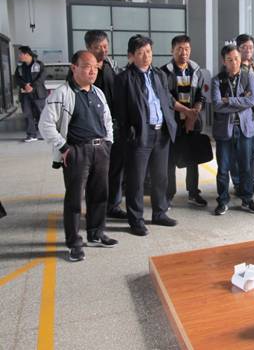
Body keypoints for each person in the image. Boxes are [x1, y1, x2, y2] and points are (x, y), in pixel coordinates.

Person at [38, 50, 118, 262]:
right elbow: (45, 124)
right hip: (77, 152)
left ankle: (96, 233)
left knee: (99, 194)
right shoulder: (62, 94)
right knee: (74, 199)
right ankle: (74, 243)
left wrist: (108, 143)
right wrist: (64, 147)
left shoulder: (98, 93)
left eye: (94, 67)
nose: (92, 71)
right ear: (74, 68)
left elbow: (107, 121)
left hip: (100, 150)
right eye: (86, 66)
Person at [114, 35, 191, 236]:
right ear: (131, 56)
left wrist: (180, 116)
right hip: (139, 135)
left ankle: (159, 213)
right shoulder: (123, 79)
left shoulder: (159, 75)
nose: (146, 56)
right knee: (136, 180)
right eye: (140, 53)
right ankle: (136, 220)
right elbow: (119, 112)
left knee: (161, 177)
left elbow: (166, 100)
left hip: (161, 133)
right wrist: (130, 133)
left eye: (148, 51)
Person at [160, 35, 209, 208]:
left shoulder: (196, 71)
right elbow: (167, 99)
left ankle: (193, 193)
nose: (183, 52)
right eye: (179, 49)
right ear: (172, 50)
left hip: (192, 122)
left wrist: (192, 115)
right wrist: (187, 112)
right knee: (170, 161)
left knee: (192, 159)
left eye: (187, 49)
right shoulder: (164, 72)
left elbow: (201, 96)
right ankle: (168, 195)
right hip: (172, 124)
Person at [211, 44, 254, 215]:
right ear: (224, 61)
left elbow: (252, 101)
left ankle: (247, 200)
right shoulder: (217, 80)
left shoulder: (248, 76)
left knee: (246, 167)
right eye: (230, 60)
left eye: (237, 59)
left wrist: (228, 100)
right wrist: (240, 101)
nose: (234, 63)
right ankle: (223, 201)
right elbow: (217, 105)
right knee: (223, 169)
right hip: (224, 131)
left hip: (245, 130)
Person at [84, 30, 126, 220]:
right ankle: (94, 209)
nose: (103, 50)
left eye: (105, 46)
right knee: (95, 173)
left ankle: (113, 205)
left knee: (116, 168)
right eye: (98, 47)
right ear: (88, 48)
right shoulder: (84, 69)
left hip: (113, 127)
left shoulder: (111, 66)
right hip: (92, 129)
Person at [233, 33, 254, 195]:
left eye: (251, 47)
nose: (248, 50)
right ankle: (238, 184)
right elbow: (236, 96)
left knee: (251, 153)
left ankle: (250, 181)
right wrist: (247, 98)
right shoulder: (234, 68)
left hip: (253, 117)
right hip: (239, 117)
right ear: (238, 49)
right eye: (244, 47)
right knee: (238, 154)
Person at [14, 46, 47, 142]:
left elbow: (42, 77)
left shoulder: (39, 64)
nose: (19, 56)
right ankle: (31, 135)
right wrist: (25, 85)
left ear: (27, 54)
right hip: (25, 94)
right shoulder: (20, 66)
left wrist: (32, 86)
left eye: (20, 54)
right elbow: (17, 78)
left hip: (38, 94)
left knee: (41, 114)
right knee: (27, 114)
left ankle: (45, 134)